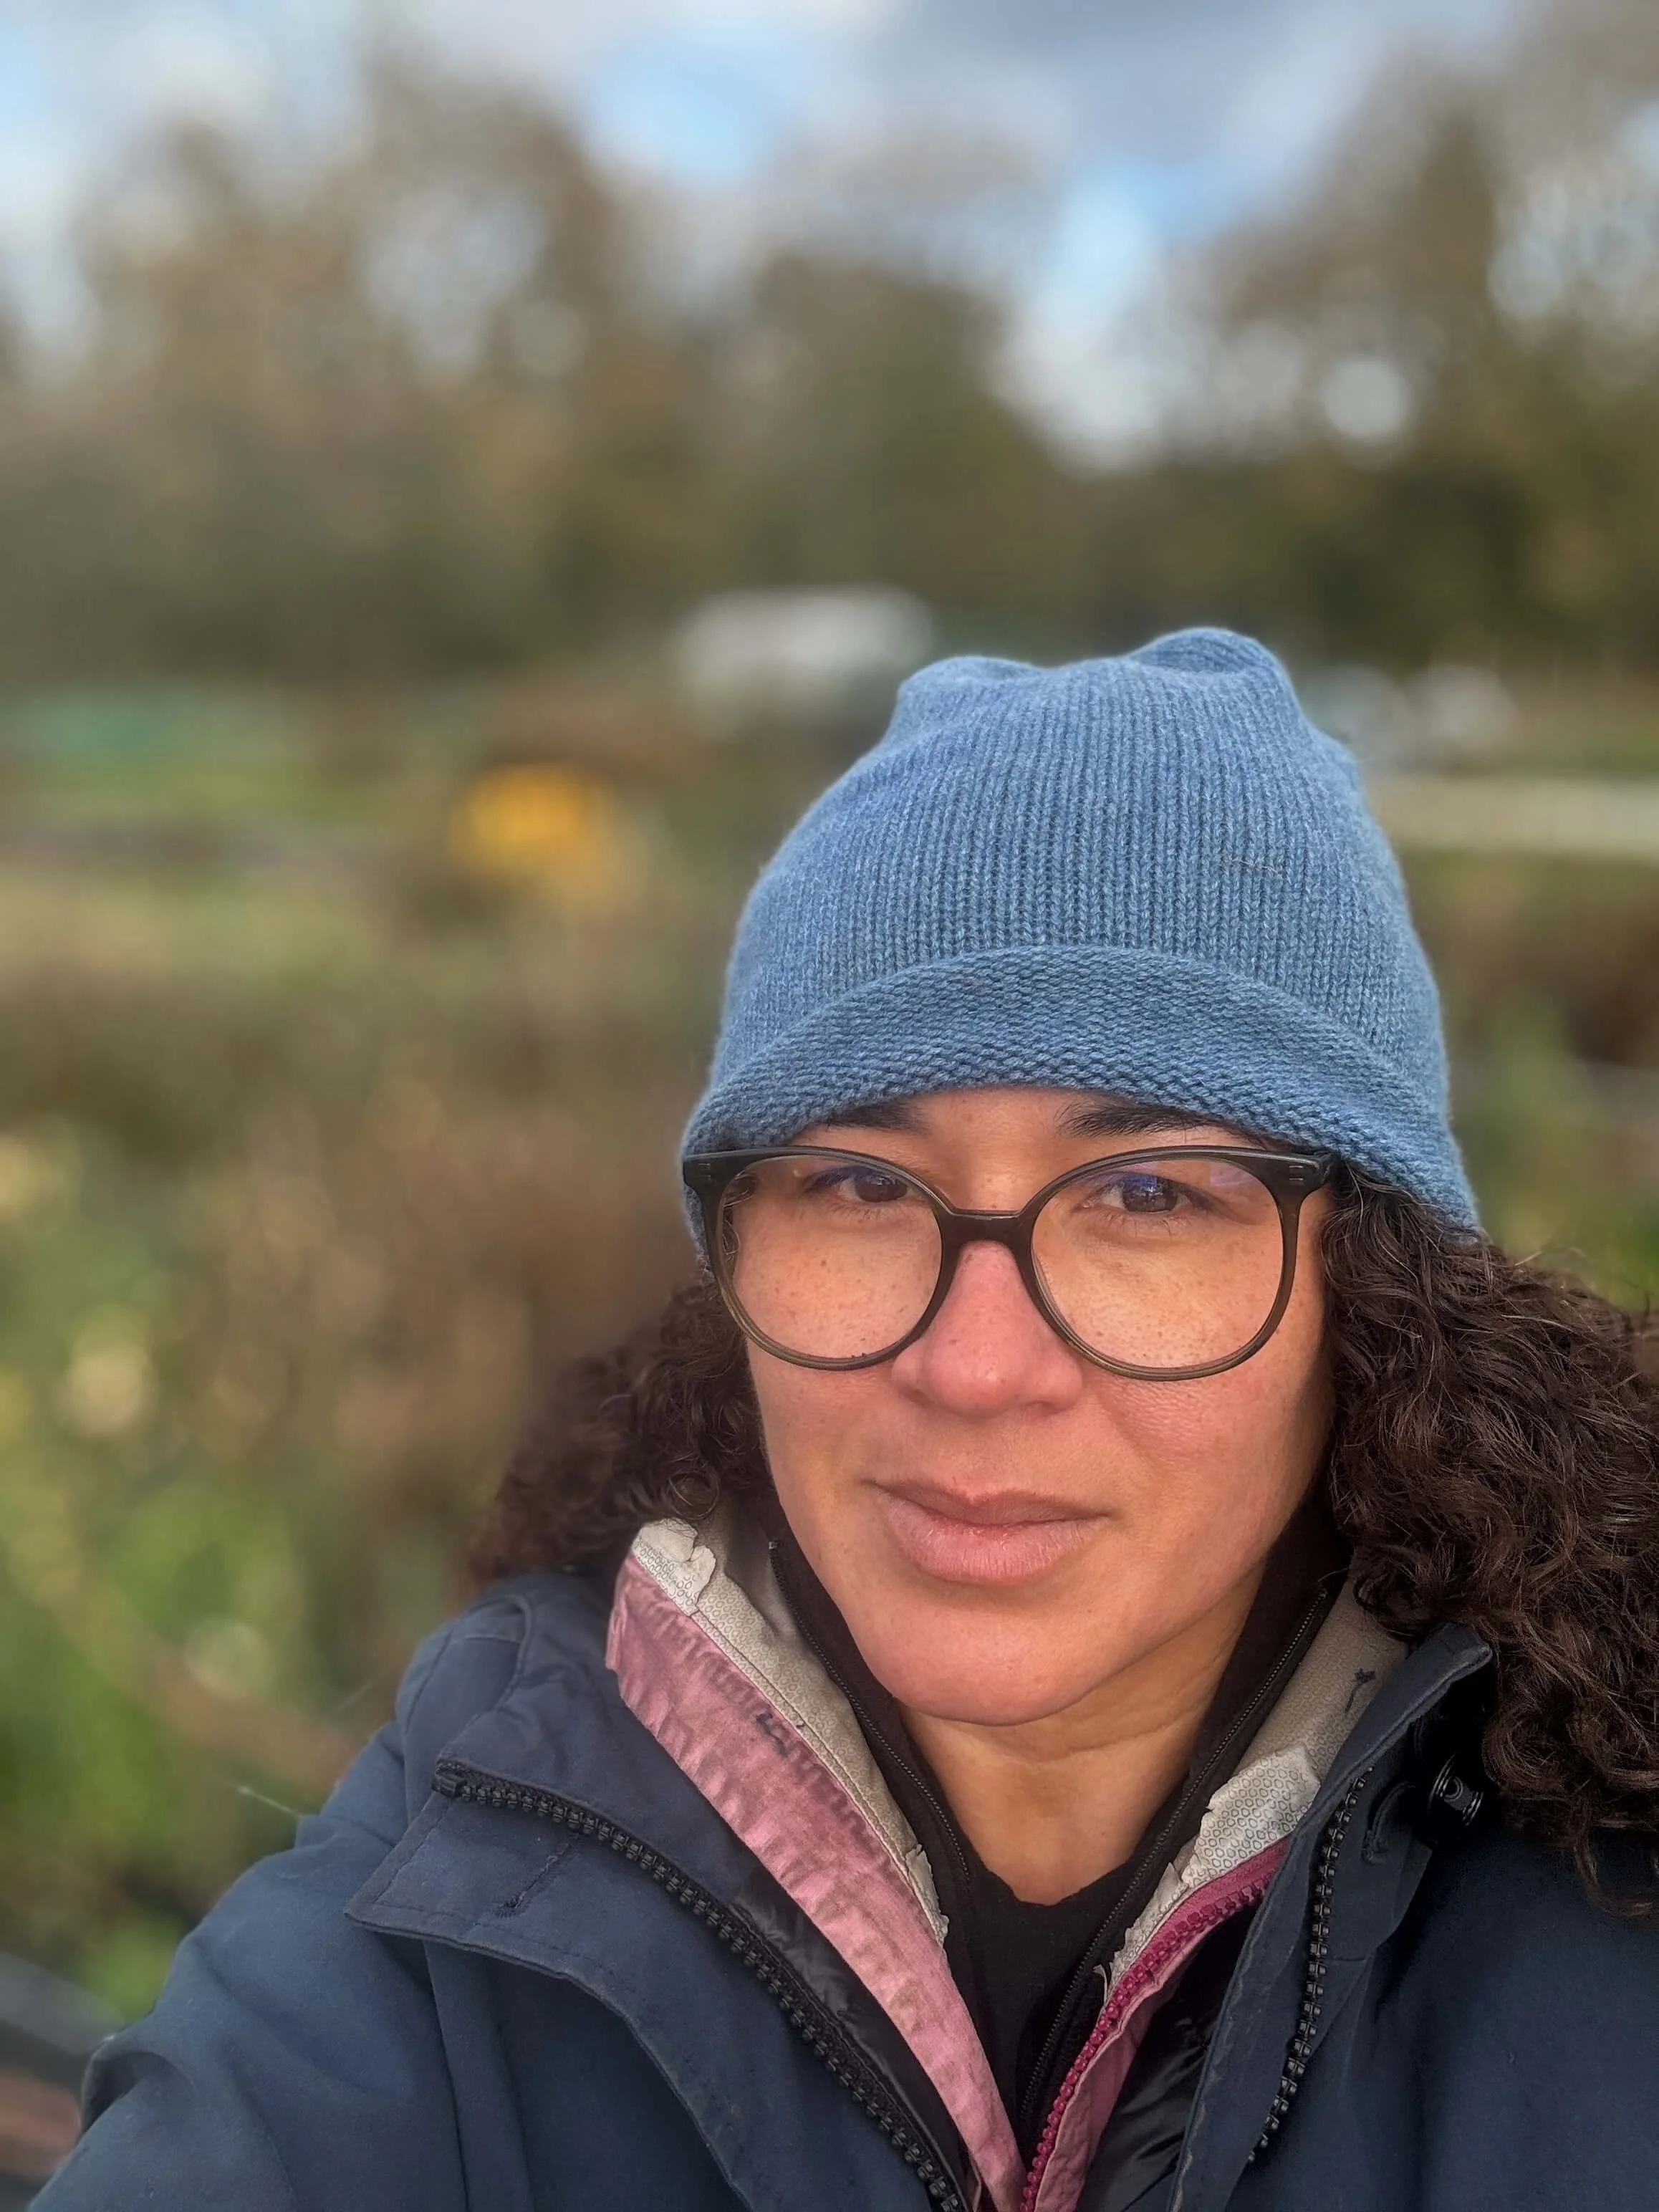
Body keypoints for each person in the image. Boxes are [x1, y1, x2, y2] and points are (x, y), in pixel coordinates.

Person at [38, 630, 1659, 2212]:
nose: (974, 1364)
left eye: (1153, 1191)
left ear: (1363, 1284)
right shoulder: (466, 1881)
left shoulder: (1605, 1924)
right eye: (862, 1184)